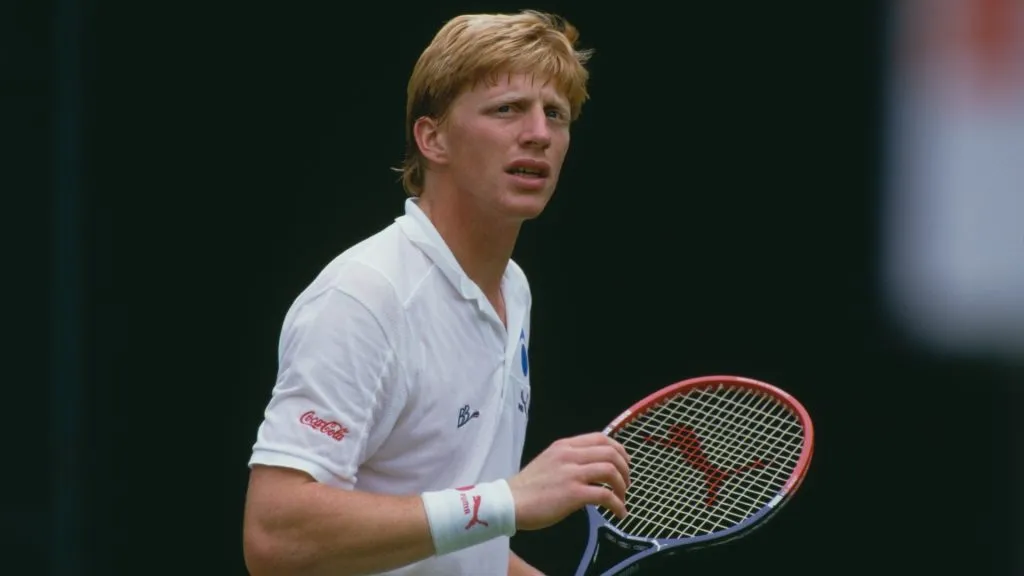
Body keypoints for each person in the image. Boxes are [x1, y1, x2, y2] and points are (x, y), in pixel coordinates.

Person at [242, 10, 630, 576]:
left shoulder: (512, 291)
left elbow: (459, 539)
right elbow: (274, 535)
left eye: (556, 114)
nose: (539, 134)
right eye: (507, 110)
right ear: (433, 138)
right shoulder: (365, 298)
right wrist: (508, 501)